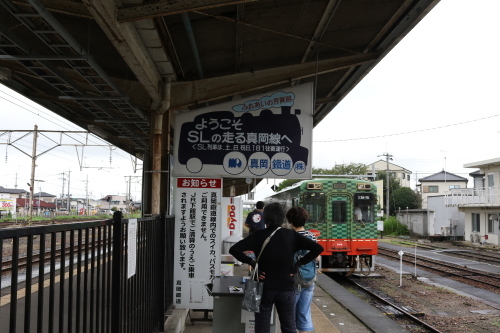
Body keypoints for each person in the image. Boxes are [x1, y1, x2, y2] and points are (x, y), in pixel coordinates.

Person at [230, 203, 324, 333]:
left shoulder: (258, 235)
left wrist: (253, 263)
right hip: (286, 288)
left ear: (265, 217)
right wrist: (298, 265)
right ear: (283, 218)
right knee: (289, 328)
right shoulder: (291, 235)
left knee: (262, 328)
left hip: (264, 288)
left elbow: (234, 249)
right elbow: (318, 248)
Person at [286, 206, 319, 333]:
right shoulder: (311, 236)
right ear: (305, 220)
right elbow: (317, 259)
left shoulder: (289, 237)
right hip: (309, 279)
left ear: (290, 221)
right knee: (304, 313)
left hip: (293, 280)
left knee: (289, 315)